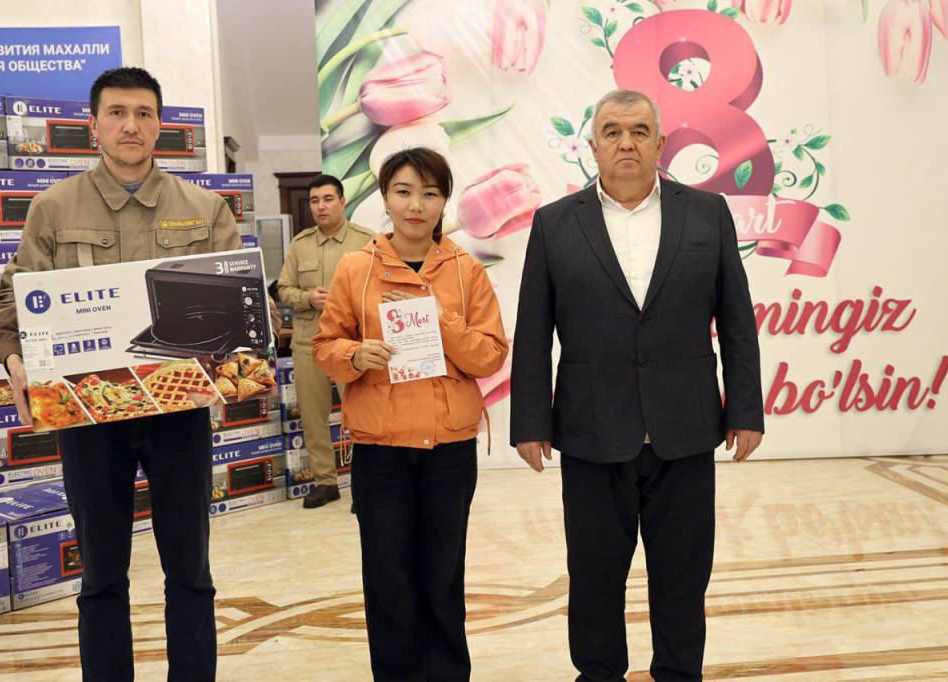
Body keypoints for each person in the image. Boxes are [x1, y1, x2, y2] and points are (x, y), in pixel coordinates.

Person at [0, 67, 279, 682]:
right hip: (88, 415)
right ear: (93, 125)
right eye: (117, 113)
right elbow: (11, 305)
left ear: (160, 125)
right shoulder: (52, 208)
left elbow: (249, 305)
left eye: (143, 113)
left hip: (180, 412)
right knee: (100, 575)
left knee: (190, 571)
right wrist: (15, 362)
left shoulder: (204, 209)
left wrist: (254, 340)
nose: (130, 125)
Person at [510, 89, 765, 681]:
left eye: (639, 131)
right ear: (593, 145)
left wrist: (744, 409)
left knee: (683, 576)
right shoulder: (554, 223)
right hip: (591, 429)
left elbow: (736, 319)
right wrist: (530, 423)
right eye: (613, 131)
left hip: (686, 427)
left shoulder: (707, 213)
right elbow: (533, 330)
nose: (626, 142)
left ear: (660, 143)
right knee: (594, 576)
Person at [312, 147, 507, 680]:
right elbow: (325, 346)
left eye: (429, 193)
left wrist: (443, 321)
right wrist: (355, 355)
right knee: (388, 579)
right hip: (381, 451)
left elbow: (490, 355)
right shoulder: (356, 269)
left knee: (443, 576)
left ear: (444, 201)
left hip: (449, 451)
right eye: (403, 192)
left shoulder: (466, 271)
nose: (416, 205)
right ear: (385, 197)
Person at [277, 174, 375, 508]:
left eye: (328, 199)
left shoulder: (367, 241)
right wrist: (308, 298)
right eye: (315, 200)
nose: (321, 206)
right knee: (313, 417)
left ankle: (365, 485)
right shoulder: (300, 244)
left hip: (353, 345)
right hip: (309, 343)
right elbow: (283, 289)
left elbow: (381, 285)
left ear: (343, 202)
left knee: (361, 416)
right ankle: (325, 482)